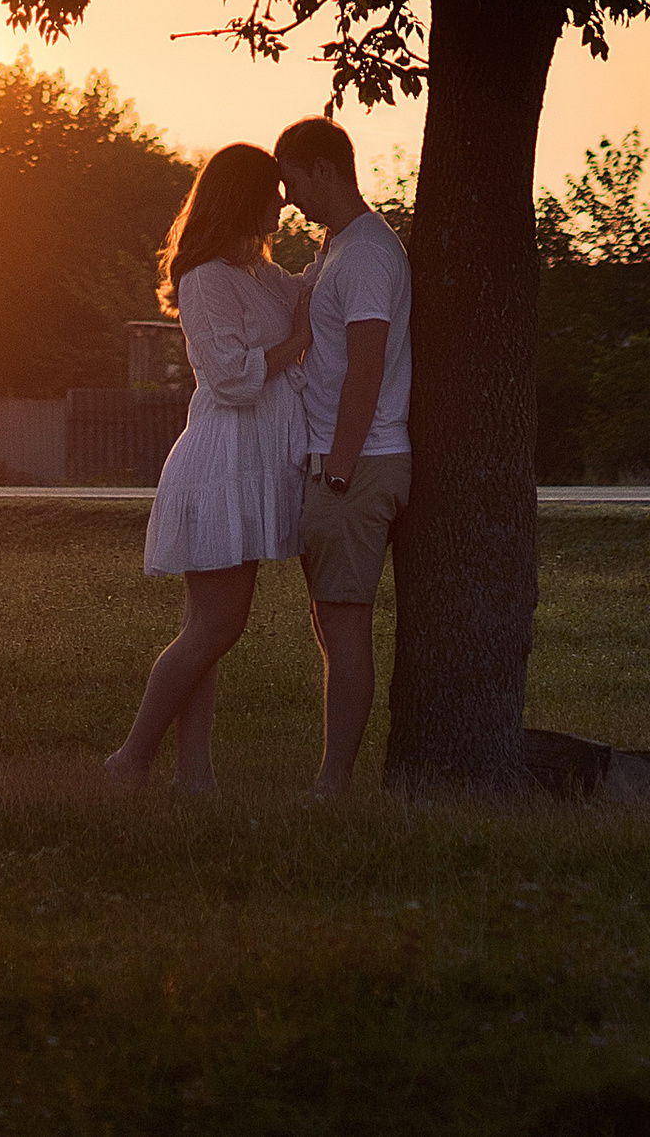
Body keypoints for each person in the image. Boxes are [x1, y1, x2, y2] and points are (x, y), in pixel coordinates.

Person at [104, 141, 311, 793]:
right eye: (272, 192)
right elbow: (231, 380)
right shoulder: (205, 280)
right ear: (242, 198)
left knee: (207, 631)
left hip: (248, 464)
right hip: (221, 464)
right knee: (218, 627)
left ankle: (195, 778)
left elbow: (310, 292)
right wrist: (296, 344)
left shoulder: (261, 273)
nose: (283, 203)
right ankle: (131, 758)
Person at [274, 113, 412, 798]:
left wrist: (339, 469)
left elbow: (366, 368)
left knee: (346, 620)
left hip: (357, 462)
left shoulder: (363, 254)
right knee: (331, 617)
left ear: (324, 170)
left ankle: (333, 784)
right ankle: (333, 776)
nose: (288, 198)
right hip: (337, 460)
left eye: (293, 182)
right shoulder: (336, 249)